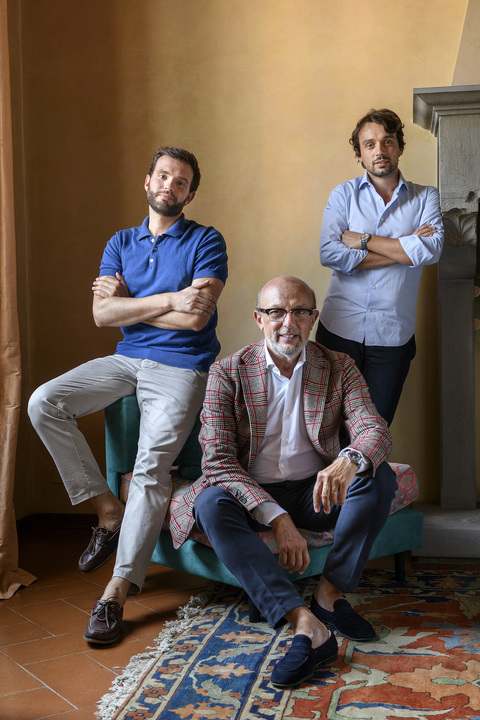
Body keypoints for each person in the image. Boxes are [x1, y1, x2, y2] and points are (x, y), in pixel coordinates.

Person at [28, 147, 228, 645]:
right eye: (163, 176)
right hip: (126, 359)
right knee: (43, 402)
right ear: (148, 181)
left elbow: (196, 319)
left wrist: (129, 304)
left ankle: (116, 592)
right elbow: (102, 316)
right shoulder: (120, 242)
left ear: (190, 195)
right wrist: (170, 298)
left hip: (182, 366)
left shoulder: (206, 240)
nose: (169, 186)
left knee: (150, 466)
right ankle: (107, 510)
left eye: (180, 182)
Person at [169, 275, 396, 688]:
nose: (288, 322)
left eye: (299, 312)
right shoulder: (228, 372)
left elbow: (373, 429)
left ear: (313, 318)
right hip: (251, 492)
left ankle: (329, 594)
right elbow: (218, 460)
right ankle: (304, 621)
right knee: (209, 504)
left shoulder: (339, 366)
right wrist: (276, 517)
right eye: (276, 312)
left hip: (316, 492)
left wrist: (348, 460)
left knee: (377, 475)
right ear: (259, 318)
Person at [316, 108, 444, 426]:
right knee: (327, 429)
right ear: (359, 154)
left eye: (387, 141)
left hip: (392, 337)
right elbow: (330, 253)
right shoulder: (343, 195)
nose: (380, 151)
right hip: (338, 330)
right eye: (369, 144)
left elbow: (431, 250)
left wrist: (364, 240)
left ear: (400, 147)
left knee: (373, 431)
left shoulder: (426, 197)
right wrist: (405, 248)